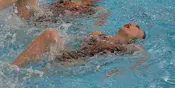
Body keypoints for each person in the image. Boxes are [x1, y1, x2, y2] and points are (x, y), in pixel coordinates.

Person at [11, 23, 146, 67]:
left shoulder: (129, 48)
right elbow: (73, 42)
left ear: (136, 39)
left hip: (75, 65)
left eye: (137, 27)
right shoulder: (97, 33)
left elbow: (143, 57)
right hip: (68, 54)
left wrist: (119, 71)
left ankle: (12, 69)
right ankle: (13, 67)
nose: (132, 24)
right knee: (50, 33)